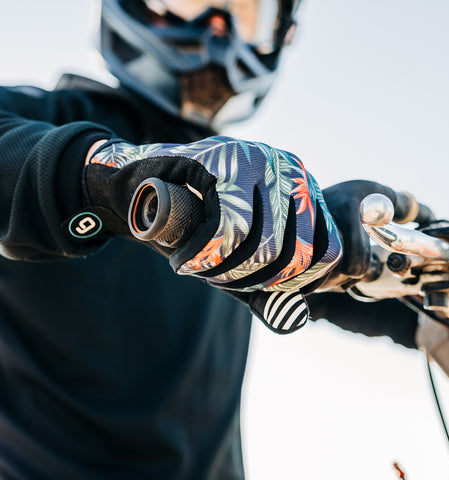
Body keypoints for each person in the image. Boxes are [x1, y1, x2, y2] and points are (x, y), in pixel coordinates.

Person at [0, 1, 422, 478]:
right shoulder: (44, 117)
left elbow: (345, 277)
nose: (217, 27)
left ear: (282, 32)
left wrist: (434, 300)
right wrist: (109, 175)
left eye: (245, 9)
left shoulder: (251, 197)